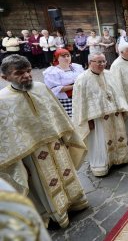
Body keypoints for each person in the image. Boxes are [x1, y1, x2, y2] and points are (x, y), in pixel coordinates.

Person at [0, 55, 88, 228]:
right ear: (5, 78)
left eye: (28, 71)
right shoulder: (2, 101)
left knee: (66, 173)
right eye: (19, 73)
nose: (26, 76)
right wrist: (18, 162)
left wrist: (65, 136)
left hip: (56, 144)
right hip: (30, 155)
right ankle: (55, 215)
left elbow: (56, 113)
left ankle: (75, 202)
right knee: (44, 185)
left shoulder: (40, 88)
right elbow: (5, 136)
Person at [72, 52, 128, 176]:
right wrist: (86, 121)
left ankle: (119, 158)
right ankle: (101, 166)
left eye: (104, 61)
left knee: (118, 137)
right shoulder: (82, 79)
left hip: (114, 114)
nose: (102, 64)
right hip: (97, 119)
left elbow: (118, 92)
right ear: (90, 63)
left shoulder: (109, 75)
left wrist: (121, 108)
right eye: (98, 62)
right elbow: (79, 103)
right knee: (100, 142)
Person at [43, 48, 84, 117]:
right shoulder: (52, 72)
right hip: (65, 100)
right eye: (63, 56)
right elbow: (54, 89)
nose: (66, 58)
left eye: (68, 56)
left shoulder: (76, 67)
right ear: (57, 58)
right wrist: (74, 86)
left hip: (79, 97)